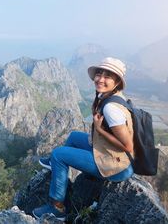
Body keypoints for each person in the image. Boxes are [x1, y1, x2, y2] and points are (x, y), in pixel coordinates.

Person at [32, 57, 134, 221]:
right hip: (112, 155)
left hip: (116, 166)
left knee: (58, 154)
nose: (100, 79)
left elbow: (128, 146)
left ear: (117, 81)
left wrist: (99, 128)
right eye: (99, 74)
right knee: (73, 137)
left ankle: (57, 207)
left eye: (107, 76)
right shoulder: (113, 96)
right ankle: (57, 168)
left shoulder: (111, 108)